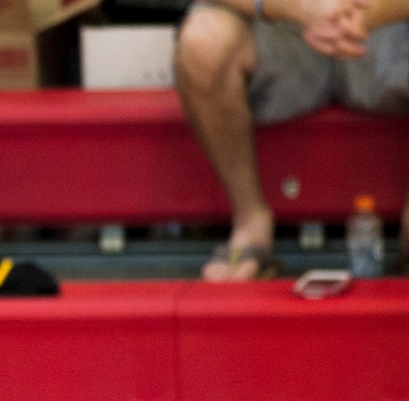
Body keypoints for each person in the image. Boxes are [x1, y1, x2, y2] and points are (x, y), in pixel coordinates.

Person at [175, 0, 409, 280]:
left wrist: (366, 13)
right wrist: (295, 7)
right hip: (278, 24)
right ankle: (251, 221)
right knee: (203, 37)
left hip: (391, 26)